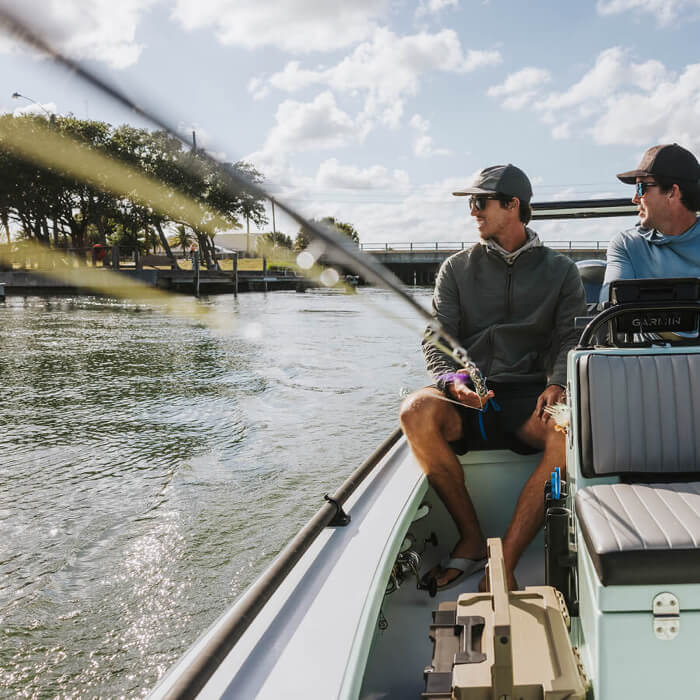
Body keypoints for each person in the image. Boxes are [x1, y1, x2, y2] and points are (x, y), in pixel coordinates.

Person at [399, 164, 586, 591]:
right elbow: (438, 340)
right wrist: (452, 382)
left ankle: (501, 566)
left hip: (529, 399)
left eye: (480, 202)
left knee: (566, 431)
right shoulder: (455, 270)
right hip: (468, 395)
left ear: (513, 206)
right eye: (471, 202)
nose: (472, 211)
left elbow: (571, 337)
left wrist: (558, 381)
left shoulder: (562, 271)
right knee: (414, 412)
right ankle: (469, 538)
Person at [601, 143, 700, 301]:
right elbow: (612, 309)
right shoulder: (626, 245)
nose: (635, 199)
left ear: (672, 192)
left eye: (641, 188)